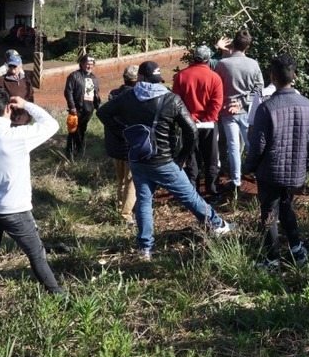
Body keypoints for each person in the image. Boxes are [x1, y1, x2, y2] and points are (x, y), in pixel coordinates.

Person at [96, 61, 232, 260]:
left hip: (139, 159)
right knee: (189, 196)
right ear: (157, 79)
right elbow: (191, 131)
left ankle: (145, 248)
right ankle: (218, 225)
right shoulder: (171, 99)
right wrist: (182, 158)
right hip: (164, 161)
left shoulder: (128, 97)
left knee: (143, 201)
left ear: (140, 78)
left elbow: (103, 112)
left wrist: (124, 133)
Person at [0, 88, 64, 309]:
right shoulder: (17, 136)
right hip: (15, 208)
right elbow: (52, 124)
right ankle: (59, 297)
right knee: (36, 253)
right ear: (8, 108)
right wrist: (26, 105)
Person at [245, 55, 309, 269]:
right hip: (295, 169)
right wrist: (308, 164)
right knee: (286, 206)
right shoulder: (306, 104)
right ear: (293, 76)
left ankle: (272, 258)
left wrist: (249, 166)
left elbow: (258, 144)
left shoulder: (267, 107)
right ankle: (296, 250)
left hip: (271, 170)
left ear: (272, 77)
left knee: (269, 213)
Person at [214, 29, 264, 192]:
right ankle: (260, 173)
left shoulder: (223, 64)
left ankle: (235, 181)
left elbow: (216, 86)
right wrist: (243, 102)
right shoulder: (253, 64)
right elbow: (259, 88)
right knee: (251, 144)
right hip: (247, 111)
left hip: (227, 110)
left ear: (233, 44)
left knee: (233, 146)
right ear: (247, 47)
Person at [172, 45, 223, 200]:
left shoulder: (181, 76)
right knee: (211, 158)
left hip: (188, 124)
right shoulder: (214, 77)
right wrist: (208, 118)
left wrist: (189, 119)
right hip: (208, 124)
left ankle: (193, 192)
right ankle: (212, 190)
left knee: (191, 157)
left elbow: (176, 101)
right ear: (208, 59)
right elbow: (216, 103)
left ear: (194, 57)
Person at [102, 65, 138, 224]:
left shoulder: (113, 94)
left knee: (121, 179)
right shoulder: (135, 97)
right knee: (132, 182)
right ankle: (126, 215)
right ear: (137, 80)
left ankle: (119, 208)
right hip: (129, 145)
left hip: (114, 144)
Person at [63, 54, 101, 159]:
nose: (89, 66)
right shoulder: (74, 76)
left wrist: (97, 106)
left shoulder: (94, 78)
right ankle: (69, 152)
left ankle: (79, 149)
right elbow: (68, 91)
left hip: (89, 109)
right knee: (73, 130)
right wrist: (72, 106)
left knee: (82, 129)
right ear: (82, 64)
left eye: (91, 64)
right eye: (87, 64)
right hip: (77, 109)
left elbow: (96, 93)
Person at [0, 51, 35, 126]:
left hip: (25, 117)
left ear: (20, 66)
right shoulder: (2, 80)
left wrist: (30, 112)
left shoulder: (26, 80)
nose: (12, 69)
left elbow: (30, 96)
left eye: (15, 66)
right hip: (9, 119)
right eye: (10, 66)